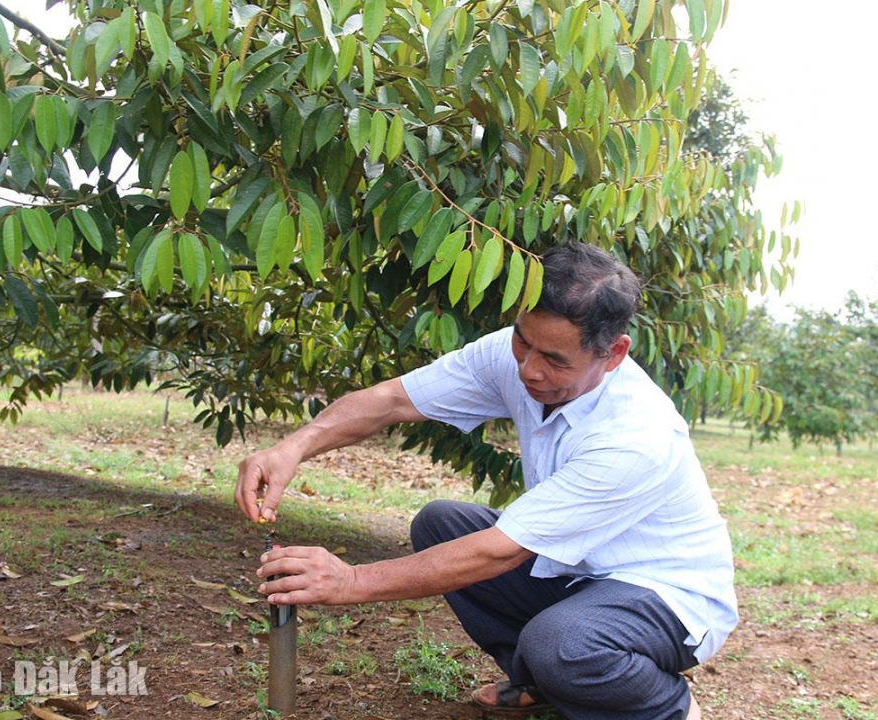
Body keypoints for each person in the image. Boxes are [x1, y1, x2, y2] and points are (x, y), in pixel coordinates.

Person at [236, 242, 737, 720]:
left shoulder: (635, 434)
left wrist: (350, 581)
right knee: (442, 524)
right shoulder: (516, 353)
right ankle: (539, 682)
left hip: (665, 595)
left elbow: (502, 551)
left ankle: (664, 706)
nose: (528, 369)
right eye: (524, 340)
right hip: (579, 569)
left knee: (560, 643)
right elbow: (393, 400)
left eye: (555, 360)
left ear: (614, 353)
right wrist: (292, 447)